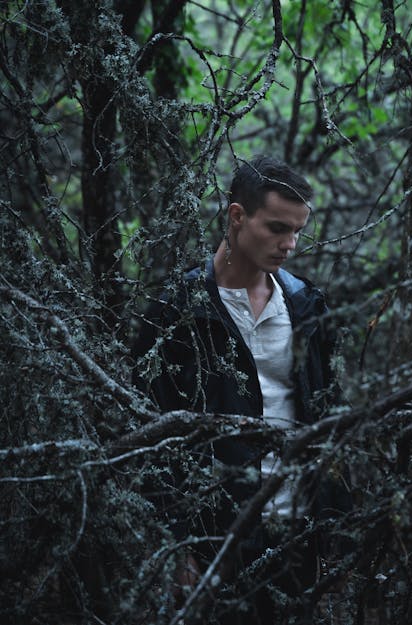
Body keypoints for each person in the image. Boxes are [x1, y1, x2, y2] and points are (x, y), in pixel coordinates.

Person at [133, 156, 349, 624]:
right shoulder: (175, 312)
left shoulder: (306, 305)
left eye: (297, 231)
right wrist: (177, 541)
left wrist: (337, 529)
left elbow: (332, 420)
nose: (289, 244)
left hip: (298, 530)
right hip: (215, 537)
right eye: (276, 228)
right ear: (236, 217)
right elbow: (150, 435)